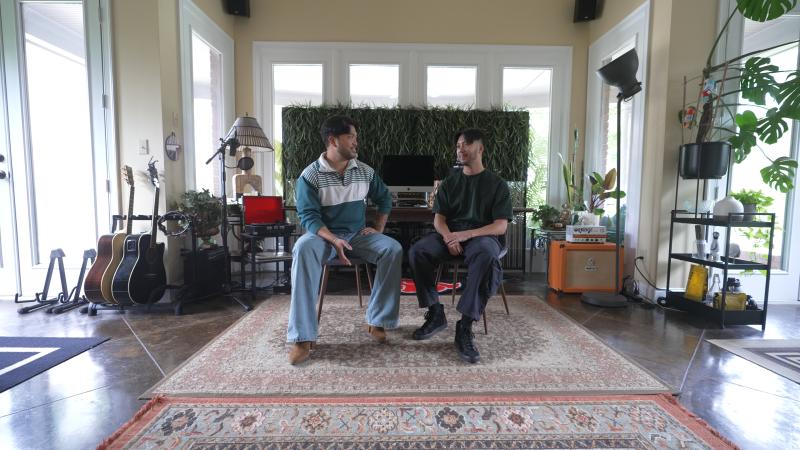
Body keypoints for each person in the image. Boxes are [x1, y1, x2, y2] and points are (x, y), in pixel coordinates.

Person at [287, 115, 403, 365]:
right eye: (350, 137)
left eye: (355, 137)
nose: (355, 142)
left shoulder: (365, 172)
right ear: (333, 140)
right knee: (302, 248)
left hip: (357, 235)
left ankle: (377, 321)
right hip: (323, 236)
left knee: (392, 249)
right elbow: (308, 216)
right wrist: (333, 239)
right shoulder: (310, 176)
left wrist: (378, 228)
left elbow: (385, 199)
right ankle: (302, 337)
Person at [408, 128, 513, 363]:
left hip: (482, 236)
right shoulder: (450, 183)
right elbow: (439, 220)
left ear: (480, 148)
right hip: (452, 234)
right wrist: (448, 237)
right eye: (458, 145)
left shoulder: (497, 184)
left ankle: (465, 325)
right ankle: (435, 312)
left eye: (466, 144)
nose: (460, 149)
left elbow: (500, 226)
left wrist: (467, 235)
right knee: (418, 251)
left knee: (486, 256)